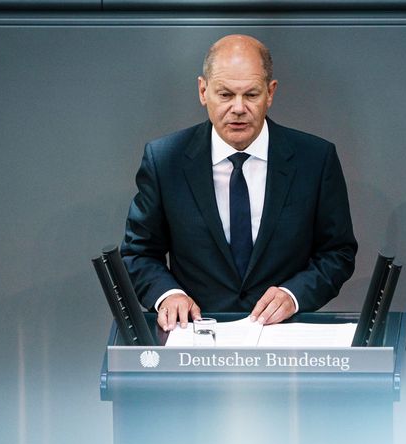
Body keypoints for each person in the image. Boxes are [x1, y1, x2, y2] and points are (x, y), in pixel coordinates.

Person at [121, 34, 357, 332]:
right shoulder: (165, 160)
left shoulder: (315, 159)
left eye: (251, 95)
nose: (238, 108)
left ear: (270, 93)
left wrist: (294, 295)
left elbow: (337, 252)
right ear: (202, 91)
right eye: (225, 94)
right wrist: (169, 295)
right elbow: (139, 252)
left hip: (282, 339)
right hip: (196, 339)